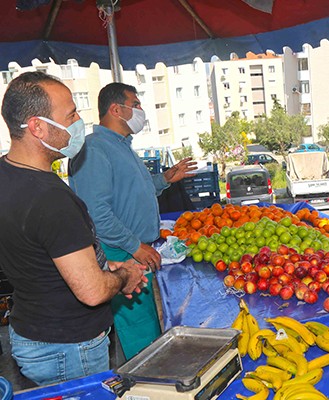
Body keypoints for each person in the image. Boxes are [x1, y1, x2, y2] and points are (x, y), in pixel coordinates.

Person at [0, 71, 147, 385]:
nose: (79, 121)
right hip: (67, 348)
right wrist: (125, 276)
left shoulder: (7, 173)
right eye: (70, 115)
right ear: (37, 127)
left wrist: (103, 265)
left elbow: (43, 255)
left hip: (32, 330)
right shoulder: (49, 198)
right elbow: (92, 292)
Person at [69, 82, 197, 358]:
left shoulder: (122, 146)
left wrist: (165, 179)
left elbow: (131, 190)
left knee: (152, 324)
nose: (141, 111)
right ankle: (146, 384)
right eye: (136, 105)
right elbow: (96, 212)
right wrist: (134, 246)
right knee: (140, 330)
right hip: (121, 253)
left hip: (137, 247)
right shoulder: (93, 150)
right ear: (116, 109)